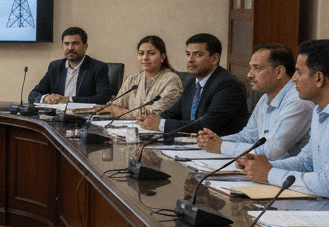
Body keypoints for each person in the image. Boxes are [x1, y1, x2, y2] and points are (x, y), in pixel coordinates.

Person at [240, 40, 329, 196]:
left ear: (318, 78)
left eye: (299, 72)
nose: (293, 78)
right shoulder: (318, 111)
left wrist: (270, 174)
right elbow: (306, 162)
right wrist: (263, 167)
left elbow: (326, 184)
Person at [197, 43, 312, 160]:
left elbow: (273, 151)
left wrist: (221, 146)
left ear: (279, 72)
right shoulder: (265, 97)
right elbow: (248, 136)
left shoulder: (298, 102)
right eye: (250, 68)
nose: (249, 74)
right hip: (265, 167)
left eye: (257, 68)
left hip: (288, 172)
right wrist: (214, 141)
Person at [140, 33, 249, 136]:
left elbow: (207, 125)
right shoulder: (192, 82)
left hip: (219, 149)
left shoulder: (226, 85)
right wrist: (151, 120)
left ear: (214, 59)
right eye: (188, 54)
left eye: (197, 55)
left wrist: (160, 124)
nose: (190, 60)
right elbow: (174, 112)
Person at [95, 35, 182, 118]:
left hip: (156, 131)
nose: (145, 58)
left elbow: (154, 115)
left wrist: (121, 112)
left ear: (162, 57)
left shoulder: (172, 80)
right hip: (127, 129)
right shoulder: (132, 80)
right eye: (141, 53)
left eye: (151, 53)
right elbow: (114, 106)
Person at [28, 27, 112, 105]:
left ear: (85, 46)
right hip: (56, 116)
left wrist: (69, 100)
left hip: (83, 117)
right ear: (62, 46)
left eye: (75, 43)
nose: (70, 48)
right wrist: (45, 98)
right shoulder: (55, 67)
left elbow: (103, 98)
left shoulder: (98, 67)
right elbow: (33, 94)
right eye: (66, 44)